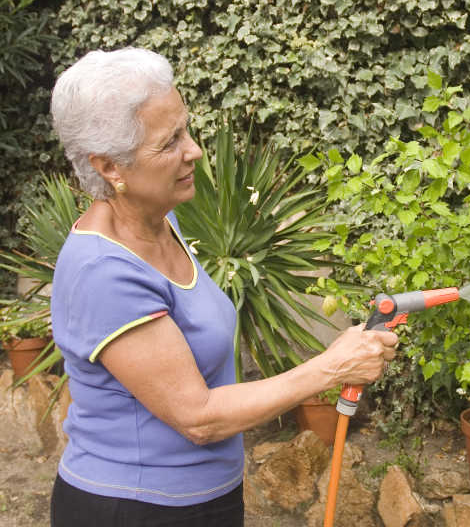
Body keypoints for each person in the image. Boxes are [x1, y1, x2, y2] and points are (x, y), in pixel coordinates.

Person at [48, 47, 398, 527]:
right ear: (110, 167)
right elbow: (199, 417)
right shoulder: (104, 272)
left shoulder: (159, 222)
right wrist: (332, 367)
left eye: (186, 129)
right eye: (169, 142)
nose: (193, 150)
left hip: (202, 500)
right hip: (136, 510)